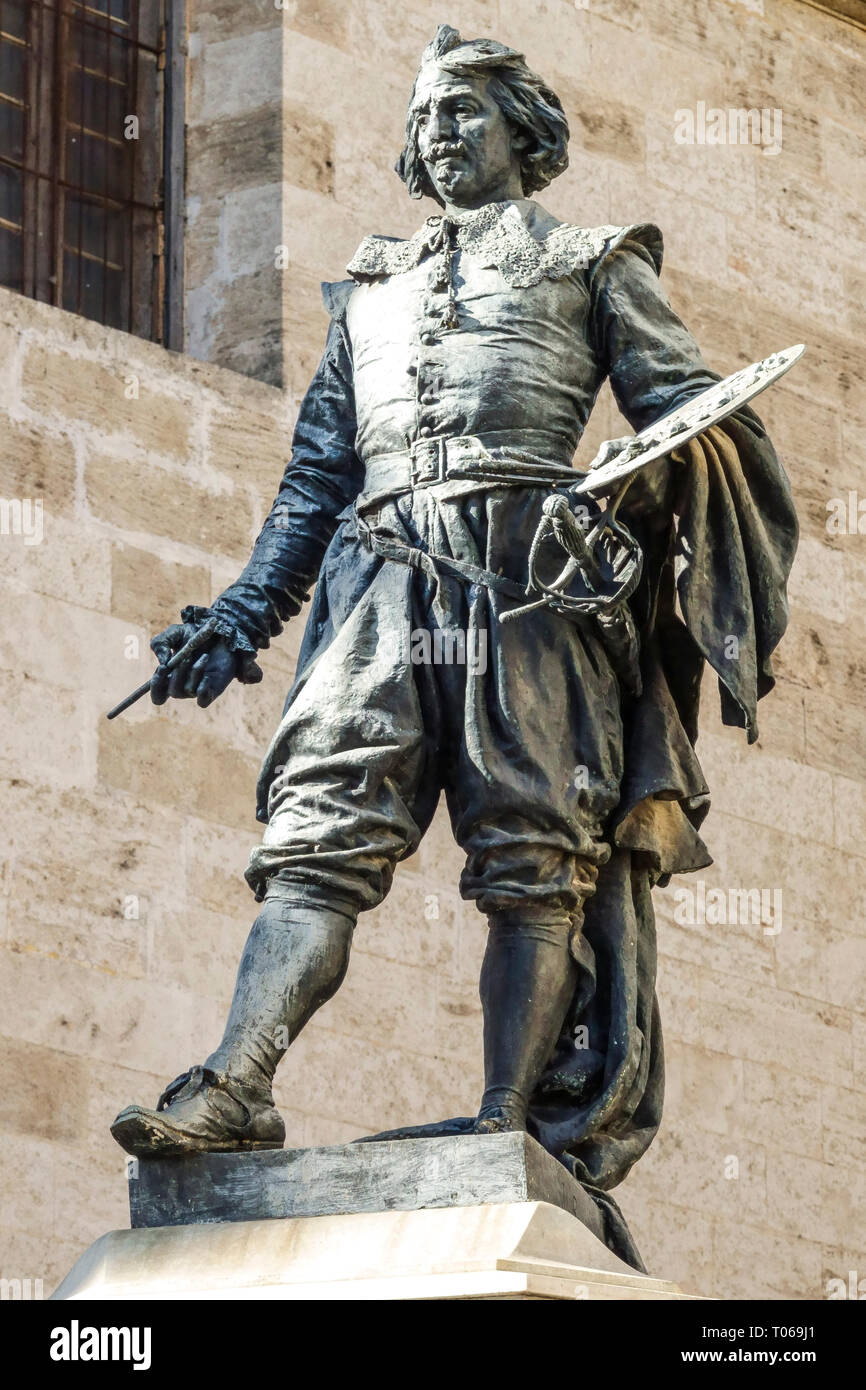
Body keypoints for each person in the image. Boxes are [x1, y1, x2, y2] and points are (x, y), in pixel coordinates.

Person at [111, 25, 797, 1266]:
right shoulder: (367, 287)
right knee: (316, 837)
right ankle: (234, 1082)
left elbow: (696, 421)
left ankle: (502, 1121)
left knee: (531, 852)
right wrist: (242, 611)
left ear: (522, 137)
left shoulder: (591, 264)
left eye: (463, 113)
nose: (438, 134)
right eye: (424, 116)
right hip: (378, 581)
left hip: (527, 588)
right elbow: (316, 474)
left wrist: (619, 512)